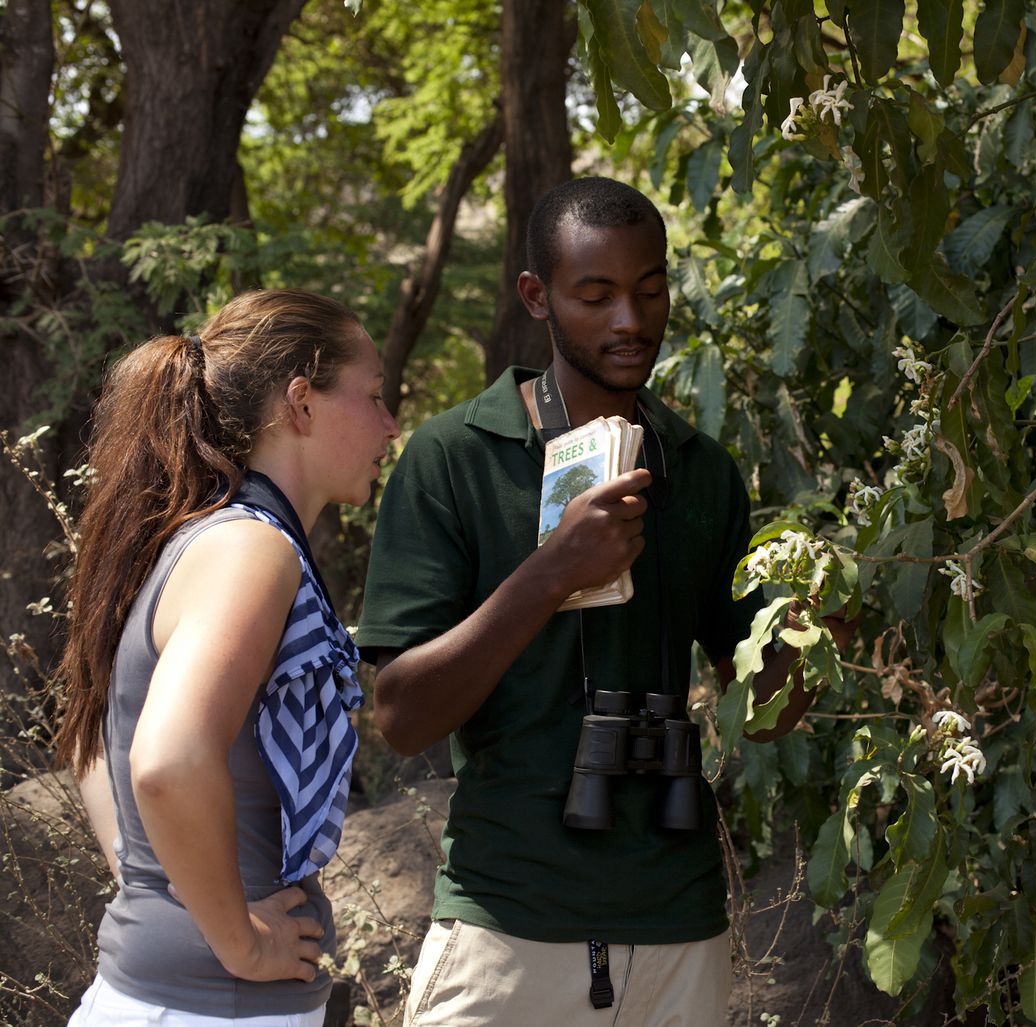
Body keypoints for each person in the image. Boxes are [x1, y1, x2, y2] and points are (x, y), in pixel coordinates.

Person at [356, 177, 843, 1025]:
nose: (631, 320)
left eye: (650, 290)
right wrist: (552, 572)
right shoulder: (453, 457)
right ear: (536, 296)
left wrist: (825, 629)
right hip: (508, 923)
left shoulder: (700, 469)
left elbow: (763, 715)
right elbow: (400, 716)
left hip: (680, 929)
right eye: (597, 295)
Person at [53, 289, 401, 1025]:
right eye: (374, 394)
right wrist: (239, 943)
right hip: (211, 1009)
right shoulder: (250, 549)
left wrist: (160, 886)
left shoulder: (196, 535)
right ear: (301, 404)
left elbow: (92, 742)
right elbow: (168, 761)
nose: (391, 424)